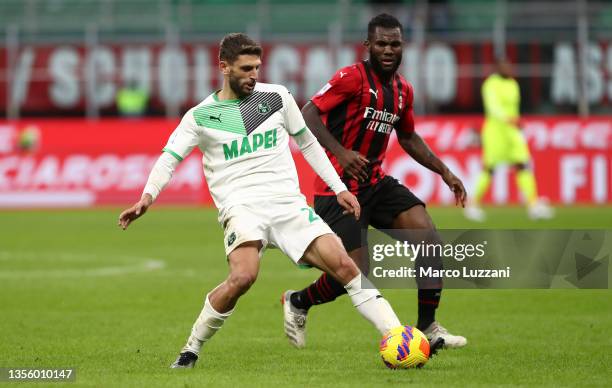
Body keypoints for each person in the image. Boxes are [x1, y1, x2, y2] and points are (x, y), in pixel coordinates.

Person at [118, 33, 406, 369]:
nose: (254, 75)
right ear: (223, 67)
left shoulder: (277, 98)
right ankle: (191, 349)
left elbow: (309, 143)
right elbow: (170, 158)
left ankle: (396, 336)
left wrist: (338, 187)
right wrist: (147, 198)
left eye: (257, 67)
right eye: (245, 68)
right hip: (242, 208)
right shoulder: (201, 116)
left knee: (344, 265)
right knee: (243, 277)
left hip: (287, 204)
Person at [281, 14, 468, 349]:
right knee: (353, 274)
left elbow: (409, 138)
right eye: (381, 43)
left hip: (375, 183)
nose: (388, 49)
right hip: (336, 188)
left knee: (429, 238)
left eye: (394, 43)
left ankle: (428, 327)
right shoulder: (351, 78)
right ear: (368, 45)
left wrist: (445, 172)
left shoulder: (402, 90)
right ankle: (298, 301)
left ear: (402, 46)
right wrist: (342, 152)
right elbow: (308, 112)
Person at [464, 58, 554, 221]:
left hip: (512, 133)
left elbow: (514, 108)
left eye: (509, 65)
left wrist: (516, 123)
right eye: (505, 66)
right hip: (495, 132)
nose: (508, 68)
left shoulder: (513, 84)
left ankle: (533, 205)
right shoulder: (491, 84)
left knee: (523, 165)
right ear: (497, 68)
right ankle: (472, 204)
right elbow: (493, 108)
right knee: (489, 169)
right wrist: (509, 119)